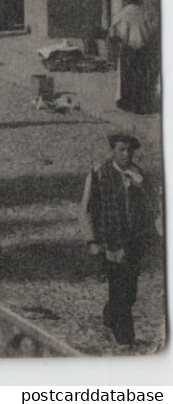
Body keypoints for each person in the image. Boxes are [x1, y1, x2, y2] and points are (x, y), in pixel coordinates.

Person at [82, 133, 162, 346]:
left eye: (130, 150)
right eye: (122, 150)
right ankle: (125, 337)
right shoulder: (99, 174)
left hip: (134, 243)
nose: (126, 154)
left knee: (131, 291)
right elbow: (87, 210)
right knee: (119, 288)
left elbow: (153, 207)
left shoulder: (139, 175)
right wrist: (91, 240)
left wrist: (141, 187)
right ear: (112, 151)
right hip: (110, 243)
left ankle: (110, 316)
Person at [108, 0, 160, 115]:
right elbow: (154, 28)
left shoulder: (123, 13)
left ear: (126, 0)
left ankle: (128, 104)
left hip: (129, 49)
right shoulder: (145, 12)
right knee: (142, 76)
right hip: (145, 49)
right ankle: (143, 104)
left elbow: (114, 32)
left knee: (128, 77)